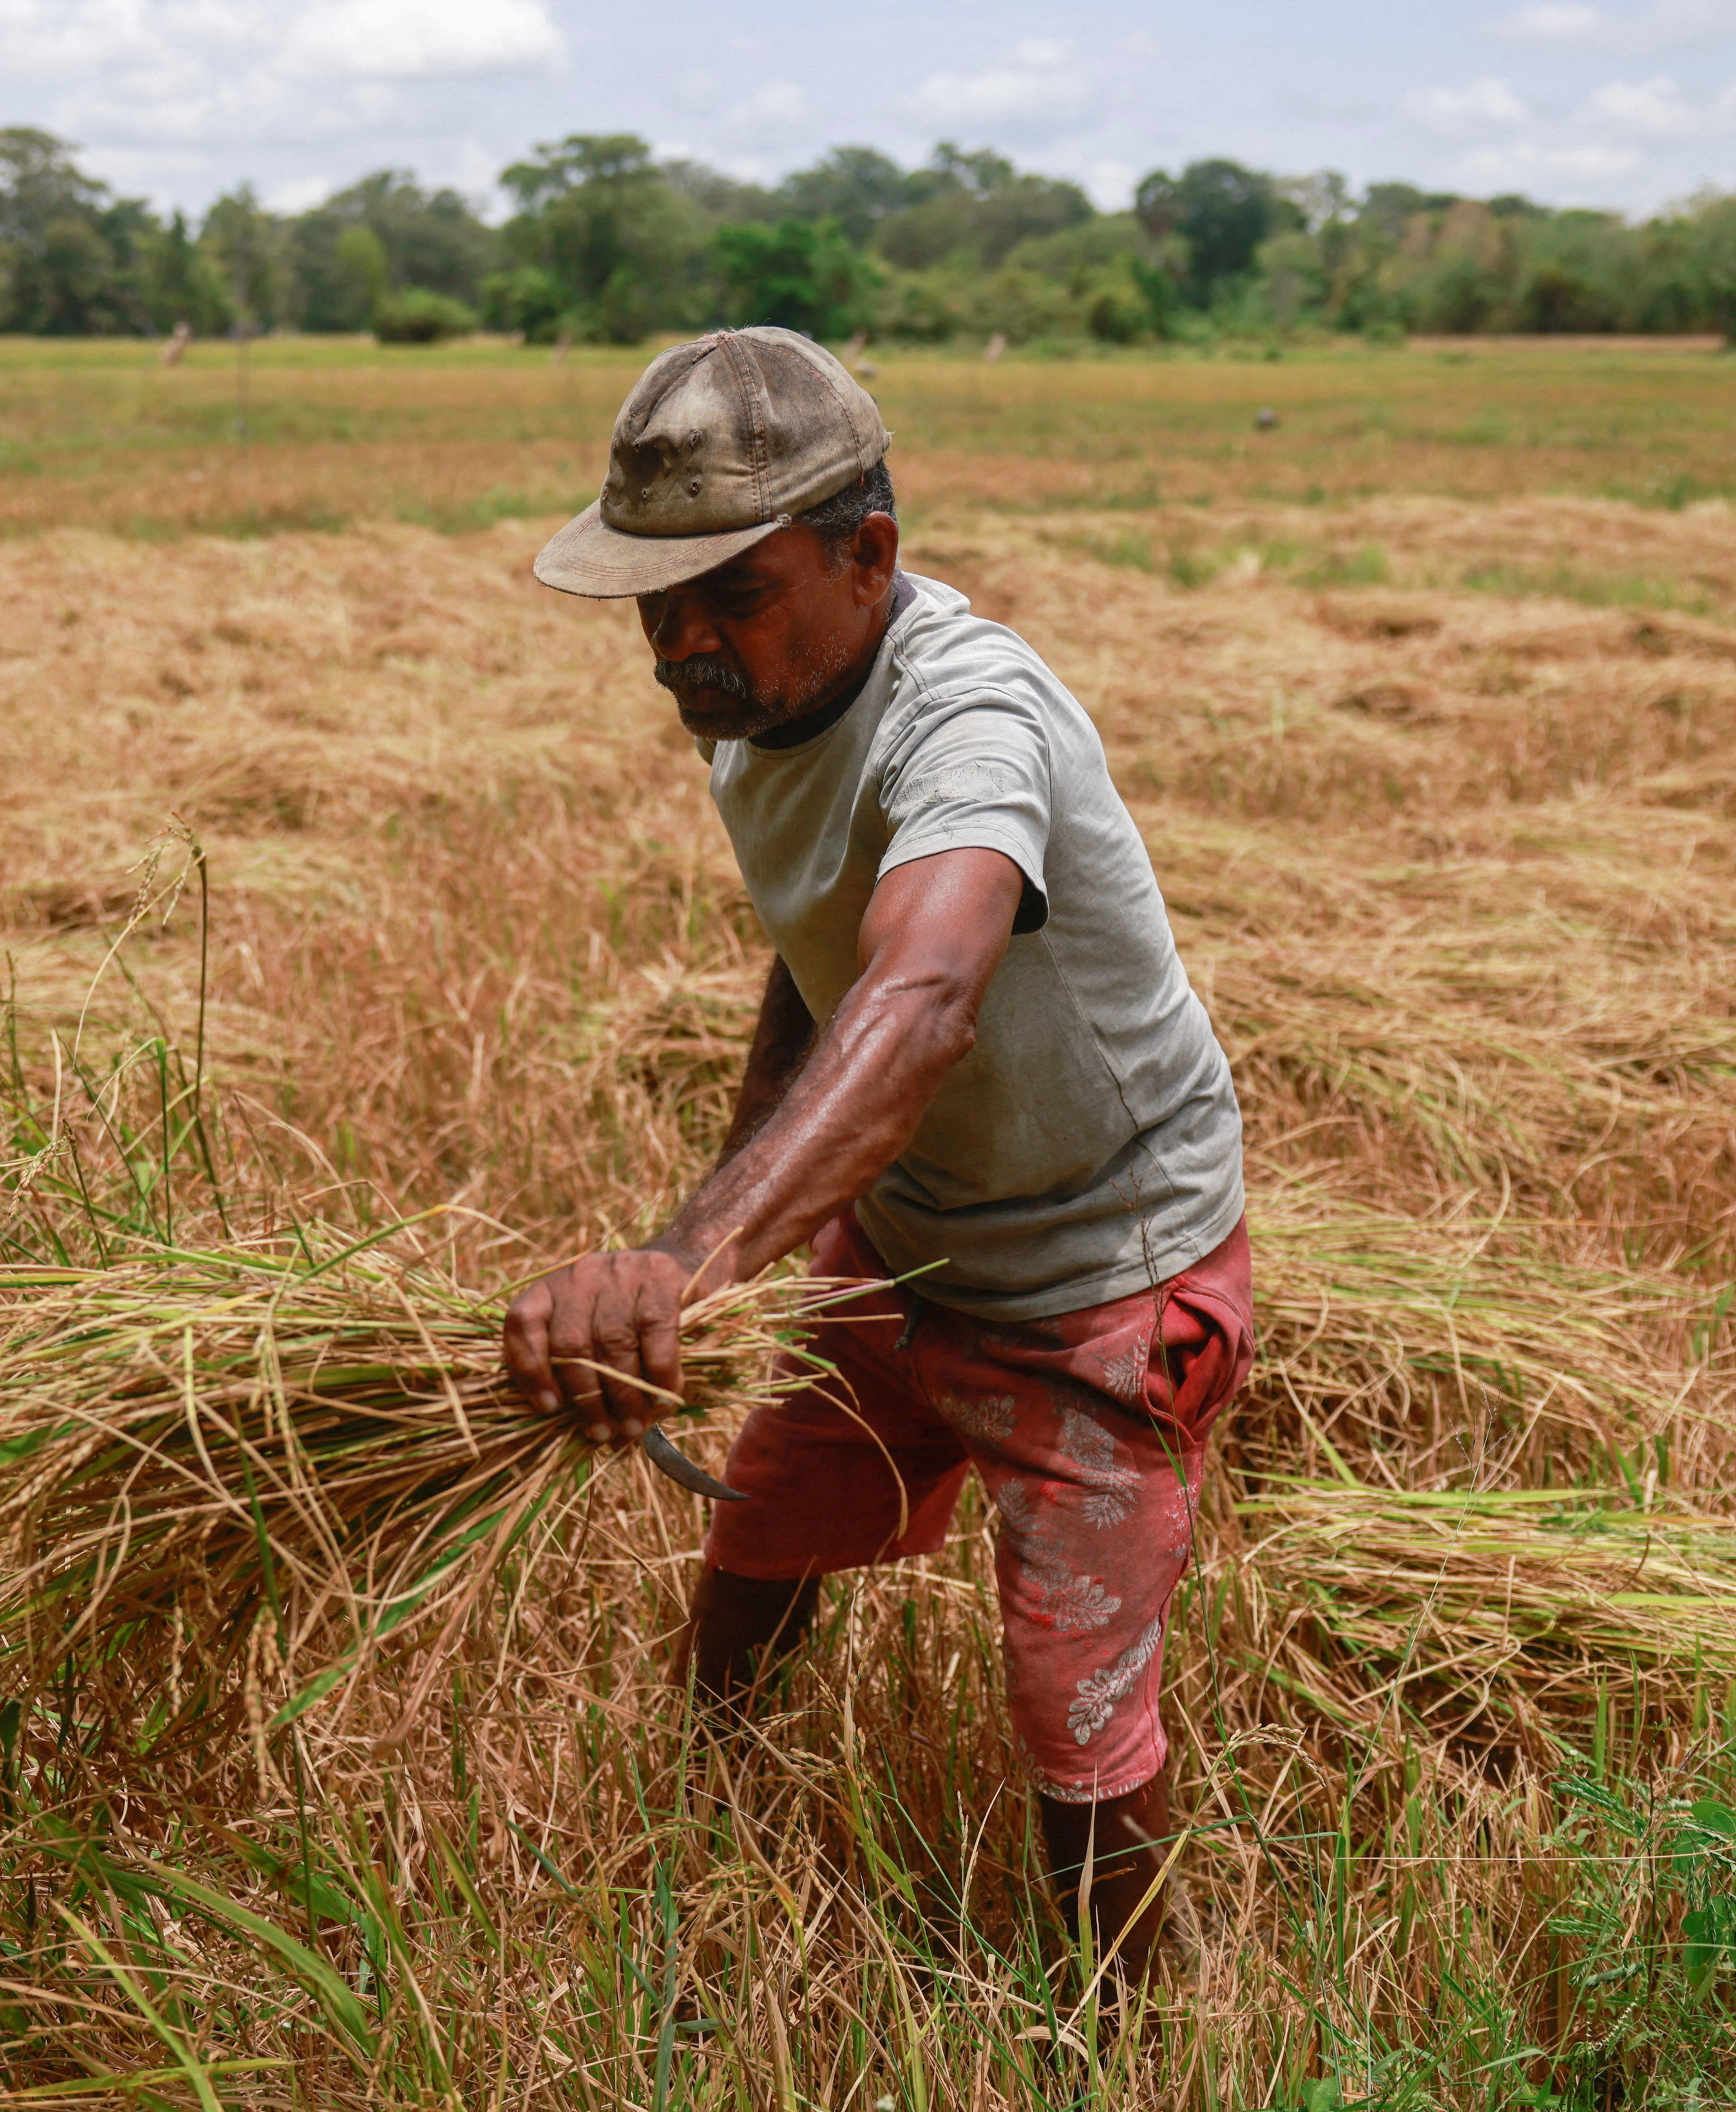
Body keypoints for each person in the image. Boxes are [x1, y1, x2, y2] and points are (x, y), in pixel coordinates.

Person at [501, 328, 1252, 1998]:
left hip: (1107, 1276)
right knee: (767, 1527)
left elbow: (916, 1003)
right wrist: (742, 1210)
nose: (682, 643)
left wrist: (682, 1270)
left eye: (733, 591)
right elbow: (826, 950)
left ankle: (1130, 2023)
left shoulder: (972, 723)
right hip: (914, 1245)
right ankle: (700, 1830)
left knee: (1076, 1706)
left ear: (871, 558)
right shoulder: (757, 701)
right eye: (655, 601)